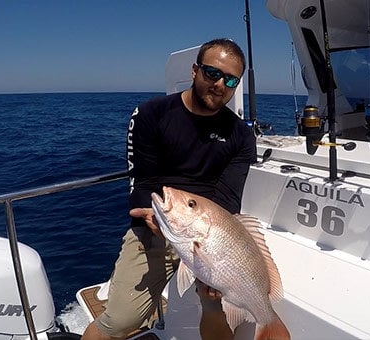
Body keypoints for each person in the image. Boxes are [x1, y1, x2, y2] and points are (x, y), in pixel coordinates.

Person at [82, 38, 257, 340]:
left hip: (207, 238)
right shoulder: (151, 114)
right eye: (212, 73)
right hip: (155, 228)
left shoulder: (241, 135)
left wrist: (207, 250)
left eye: (230, 80)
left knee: (219, 316)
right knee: (120, 322)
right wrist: (151, 221)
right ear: (194, 70)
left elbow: (228, 201)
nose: (219, 84)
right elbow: (142, 183)